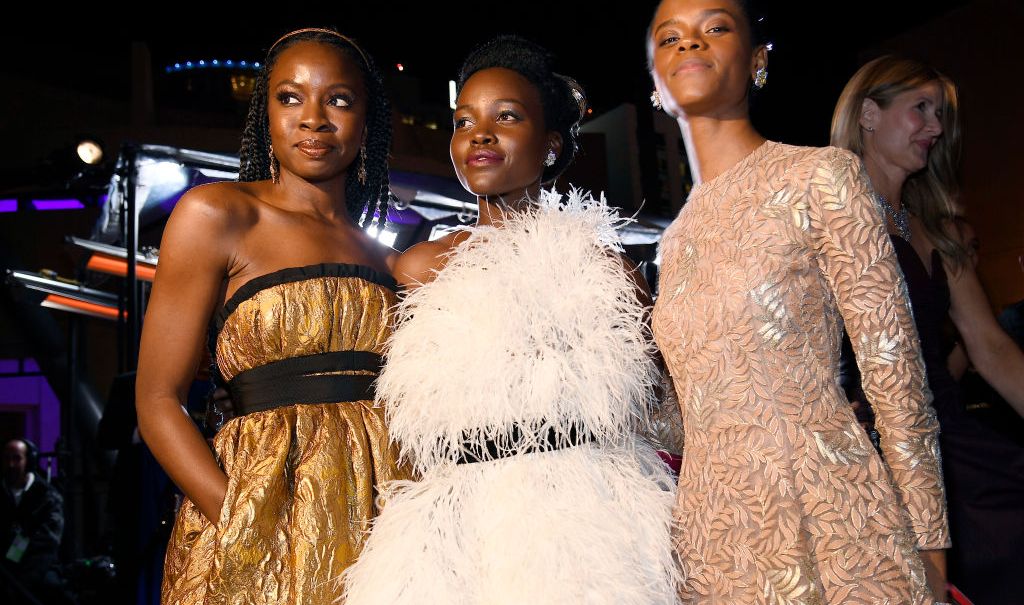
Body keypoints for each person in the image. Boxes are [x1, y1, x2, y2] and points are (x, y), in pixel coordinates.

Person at [342, 36, 680, 605]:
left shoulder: (605, 272)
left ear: (549, 145)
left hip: (590, 527)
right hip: (450, 539)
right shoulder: (419, 268)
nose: (480, 133)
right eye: (463, 120)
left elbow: (663, 406)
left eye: (506, 116)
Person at [647, 1, 949, 603]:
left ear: (757, 61)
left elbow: (897, 378)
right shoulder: (672, 241)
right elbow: (688, 419)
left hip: (830, 523)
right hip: (711, 549)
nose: (689, 44)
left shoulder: (820, 177)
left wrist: (932, 549)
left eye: (714, 28)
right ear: (655, 81)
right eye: (668, 37)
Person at [135, 27, 409, 604]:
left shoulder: (388, 258)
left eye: (338, 99)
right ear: (266, 112)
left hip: (388, 522)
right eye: (290, 97)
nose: (313, 119)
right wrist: (239, 516)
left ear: (368, 120)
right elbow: (157, 398)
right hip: (258, 516)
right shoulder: (218, 213)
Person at [832, 54, 1024, 604]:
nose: (936, 128)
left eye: (939, 114)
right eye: (921, 109)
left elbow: (991, 347)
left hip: (957, 443)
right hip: (876, 453)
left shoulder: (934, 230)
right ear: (869, 114)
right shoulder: (822, 219)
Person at [1, 438, 69, 604]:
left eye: (16, 458)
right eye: (7, 458)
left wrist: (16, 559)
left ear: (29, 461)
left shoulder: (47, 496)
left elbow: (46, 541)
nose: (11, 464)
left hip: (37, 566)